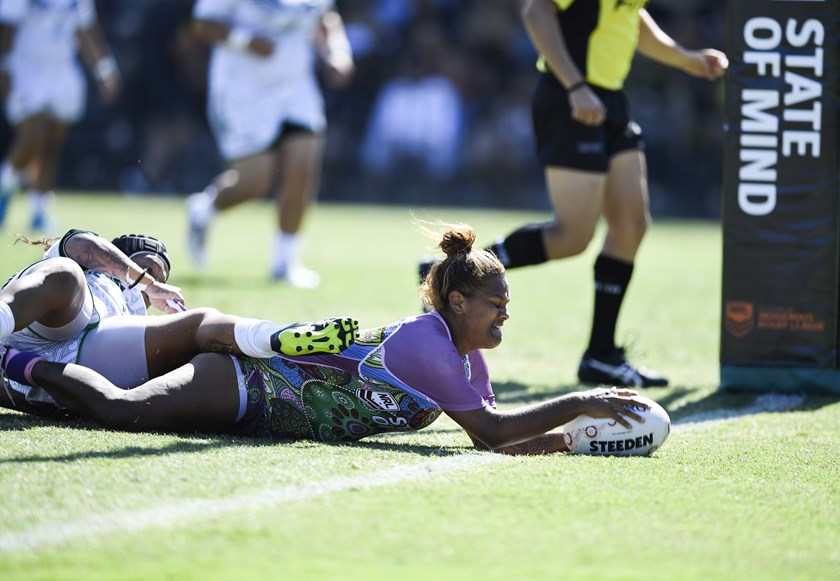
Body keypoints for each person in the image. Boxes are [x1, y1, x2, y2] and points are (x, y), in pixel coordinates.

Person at [1, 224, 650, 455]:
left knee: (119, 406)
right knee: (119, 411)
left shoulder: (465, 353)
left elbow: (495, 433)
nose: (506, 316)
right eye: (497, 305)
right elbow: (489, 431)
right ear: (457, 301)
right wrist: (580, 400)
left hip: (267, 413)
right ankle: (14, 363)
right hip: (249, 382)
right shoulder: (428, 341)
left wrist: (567, 438)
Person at [470, 0, 728, 388]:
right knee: (573, 237)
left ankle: (601, 356)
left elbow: (630, 17)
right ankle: (454, 273)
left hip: (610, 101)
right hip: (570, 99)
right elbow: (535, 12)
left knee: (632, 224)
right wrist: (576, 86)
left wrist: (686, 59)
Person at [0, 228, 358, 414]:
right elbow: (83, 244)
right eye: (149, 264)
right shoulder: (91, 262)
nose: (157, 276)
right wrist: (149, 282)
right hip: (43, 324)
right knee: (65, 275)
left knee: (198, 323)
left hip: (87, 357)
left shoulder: (131, 317)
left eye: (161, 273)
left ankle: (279, 338)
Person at [186, 0, 354, 288]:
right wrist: (247, 41)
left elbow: (325, 16)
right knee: (256, 181)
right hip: (242, 89)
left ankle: (285, 264)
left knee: (302, 169)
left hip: (295, 88)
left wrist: (338, 51)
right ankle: (205, 208)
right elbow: (202, 24)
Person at [0, 0, 121, 231]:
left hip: (62, 69)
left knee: (51, 144)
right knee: (32, 137)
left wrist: (104, 68)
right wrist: (4, 66)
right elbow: (6, 28)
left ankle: (38, 210)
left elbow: (84, 28)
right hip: (24, 68)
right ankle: (5, 186)